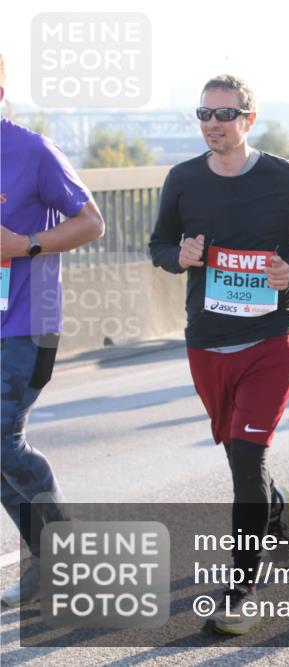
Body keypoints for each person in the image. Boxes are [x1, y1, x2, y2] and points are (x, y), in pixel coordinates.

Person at [149, 74, 289, 635]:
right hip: (208, 341)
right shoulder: (182, 180)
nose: (212, 124)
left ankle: (242, 589)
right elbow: (158, 247)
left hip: (272, 338)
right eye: (203, 113)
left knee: (246, 459)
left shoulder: (285, 177)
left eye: (225, 114)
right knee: (238, 453)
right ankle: (276, 503)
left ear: (249, 118)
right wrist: (181, 256)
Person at [0, 53, 106, 607]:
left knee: (2, 439)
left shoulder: (33, 150)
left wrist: (25, 245)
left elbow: (92, 222)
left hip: (25, 323)